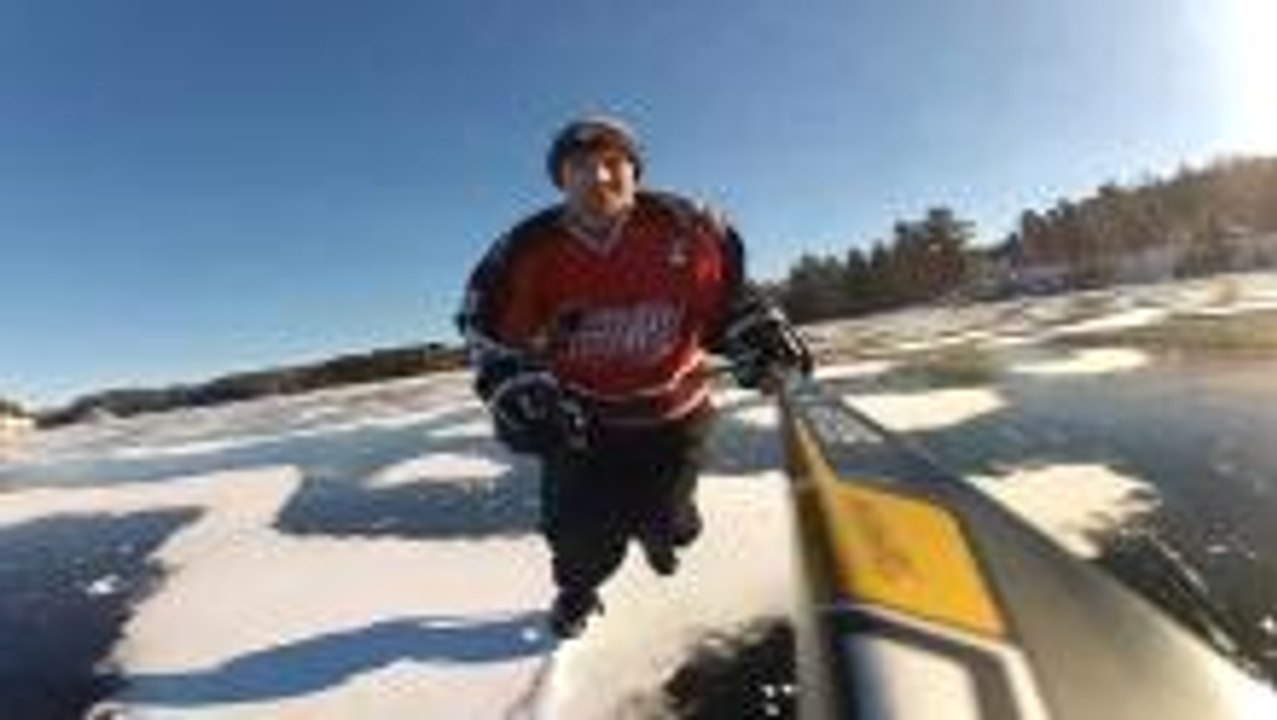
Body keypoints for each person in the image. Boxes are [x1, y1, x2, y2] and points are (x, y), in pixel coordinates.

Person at [457, 115, 812, 638]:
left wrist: (754, 330)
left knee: (671, 524)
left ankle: (660, 532)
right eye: (580, 167)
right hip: (583, 423)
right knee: (580, 537)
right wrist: (513, 383)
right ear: (560, 180)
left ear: (635, 173)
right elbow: (485, 329)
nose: (599, 178)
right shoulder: (526, 251)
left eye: (612, 163)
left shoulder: (689, 228)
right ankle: (577, 594)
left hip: (676, 414)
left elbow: (727, 302)